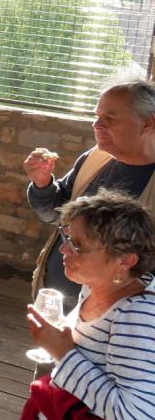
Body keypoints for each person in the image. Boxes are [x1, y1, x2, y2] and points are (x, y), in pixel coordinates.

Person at [21, 190, 155, 420]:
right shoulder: (92, 287)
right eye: (66, 237)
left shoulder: (136, 316)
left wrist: (62, 352)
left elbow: (134, 417)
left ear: (124, 261)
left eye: (77, 245)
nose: (64, 250)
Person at [26, 79, 155, 310]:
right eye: (97, 116)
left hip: (118, 321)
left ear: (147, 122)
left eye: (111, 118)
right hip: (60, 302)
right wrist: (43, 184)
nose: (97, 125)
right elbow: (56, 215)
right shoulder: (94, 159)